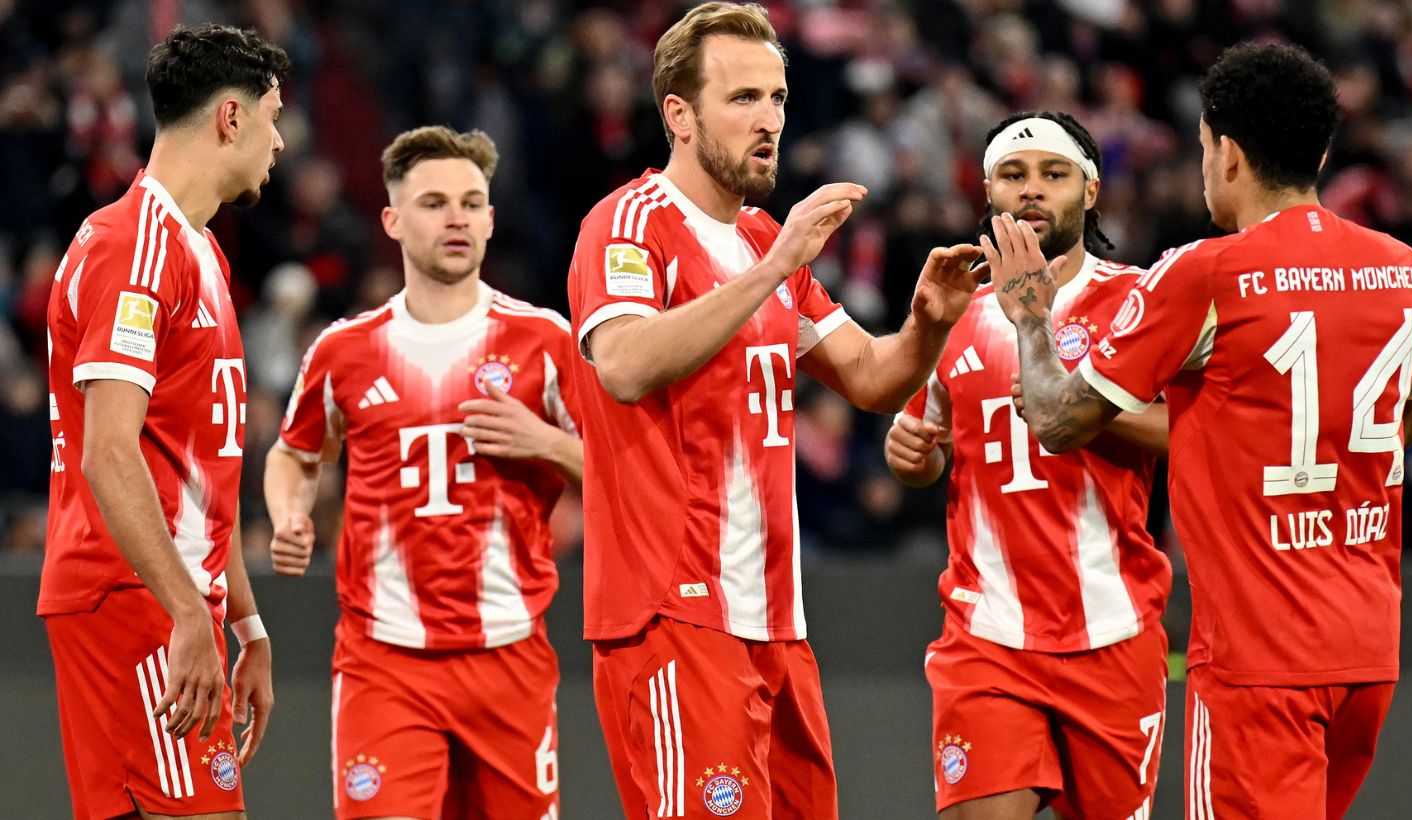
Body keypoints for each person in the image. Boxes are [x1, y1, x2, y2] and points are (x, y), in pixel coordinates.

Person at [983, 44, 1412, 819]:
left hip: (1257, 658)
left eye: (1202, 149)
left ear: (1225, 153)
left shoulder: (1205, 272)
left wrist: (1031, 318)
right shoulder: (1401, 267)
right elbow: (1409, 417)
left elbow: (1060, 420)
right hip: (1368, 650)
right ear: (1320, 152)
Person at [567, 3, 983, 817]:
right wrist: (775, 267)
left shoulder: (764, 237)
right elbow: (620, 363)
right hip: (672, 613)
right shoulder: (628, 225)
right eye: (744, 98)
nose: (769, 121)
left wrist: (929, 321)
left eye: (778, 98)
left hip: (775, 619)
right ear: (678, 116)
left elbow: (868, 376)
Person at [264, 126, 580, 820]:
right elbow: (293, 452)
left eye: (472, 202)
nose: (457, 217)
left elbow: (626, 471)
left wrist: (547, 443)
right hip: (385, 660)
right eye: (435, 202)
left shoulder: (545, 341)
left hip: (509, 653)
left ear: (492, 219)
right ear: (392, 220)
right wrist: (292, 512)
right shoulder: (343, 350)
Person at [885, 110, 1172, 820]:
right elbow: (929, 445)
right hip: (986, 637)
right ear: (987, 191)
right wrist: (911, 456)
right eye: (1013, 176)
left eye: (1052, 174)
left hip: (1113, 630)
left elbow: (1191, 433)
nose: (1032, 191)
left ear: (1091, 190)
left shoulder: (1139, 300)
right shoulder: (953, 308)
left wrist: (1082, 407)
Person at [41, 24, 285, 820]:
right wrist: (187, 610)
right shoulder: (132, 247)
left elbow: (197, 471)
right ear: (229, 119)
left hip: (169, 594)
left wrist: (241, 622)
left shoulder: (200, 251)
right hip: (131, 597)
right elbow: (110, 455)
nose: (280, 142)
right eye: (272, 117)